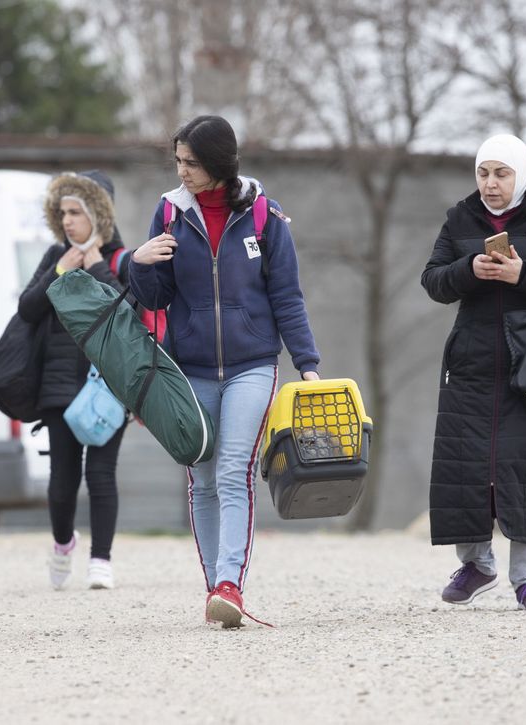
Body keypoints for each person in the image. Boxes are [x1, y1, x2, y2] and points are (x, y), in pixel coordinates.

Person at [129, 116, 320, 627]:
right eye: (178, 161)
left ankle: (231, 585)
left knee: (234, 470)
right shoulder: (169, 212)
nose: (182, 171)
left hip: (252, 364)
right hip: (189, 366)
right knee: (203, 478)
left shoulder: (264, 214)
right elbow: (156, 299)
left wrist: (307, 363)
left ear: (218, 163)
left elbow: (287, 294)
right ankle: (216, 584)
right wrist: (139, 263)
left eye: (191, 162)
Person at [421, 133, 526, 611]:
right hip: (472, 364)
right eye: (483, 173)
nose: (490, 184)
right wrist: (468, 269)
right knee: (466, 466)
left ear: (522, 174)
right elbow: (433, 281)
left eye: (501, 173)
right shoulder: (460, 216)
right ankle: (476, 564)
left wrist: (524, 275)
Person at [17, 171, 129, 590]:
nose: (67, 220)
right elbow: (28, 310)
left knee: (101, 475)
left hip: (109, 387)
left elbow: (125, 312)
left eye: (76, 212)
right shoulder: (54, 257)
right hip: (59, 386)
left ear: (99, 214)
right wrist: (60, 271)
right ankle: (63, 543)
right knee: (62, 482)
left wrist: (97, 264)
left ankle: (101, 560)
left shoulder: (119, 258)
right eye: (62, 212)